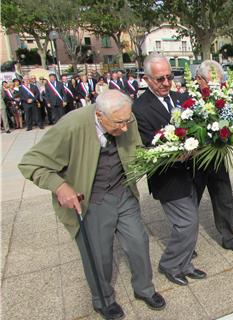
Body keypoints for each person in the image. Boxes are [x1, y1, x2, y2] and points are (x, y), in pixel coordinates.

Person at [18, 90, 166, 319]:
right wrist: (59, 186)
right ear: (99, 115)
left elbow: (135, 149)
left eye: (127, 121)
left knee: (138, 241)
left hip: (122, 191)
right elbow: (31, 163)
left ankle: (144, 289)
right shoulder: (71, 126)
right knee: (98, 254)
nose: (125, 128)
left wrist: (164, 154)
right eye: (119, 123)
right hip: (91, 198)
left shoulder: (126, 117)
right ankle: (103, 300)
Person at [132, 54, 206, 286]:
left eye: (169, 77)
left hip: (191, 173)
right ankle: (170, 264)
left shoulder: (180, 97)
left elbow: (198, 124)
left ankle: (185, 264)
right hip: (167, 178)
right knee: (187, 223)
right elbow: (149, 145)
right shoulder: (140, 109)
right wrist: (177, 152)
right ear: (146, 79)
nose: (166, 83)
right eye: (159, 79)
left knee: (187, 223)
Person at [193, 60, 233, 254]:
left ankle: (229, 238)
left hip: (217, 160)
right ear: (199, 79)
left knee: (225, 200)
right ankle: (186, 245)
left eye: (219, 82)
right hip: (195, 163)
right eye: (211, 82)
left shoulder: (222, 98)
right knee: (191, 204)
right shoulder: (188, 99)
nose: (216, 86)